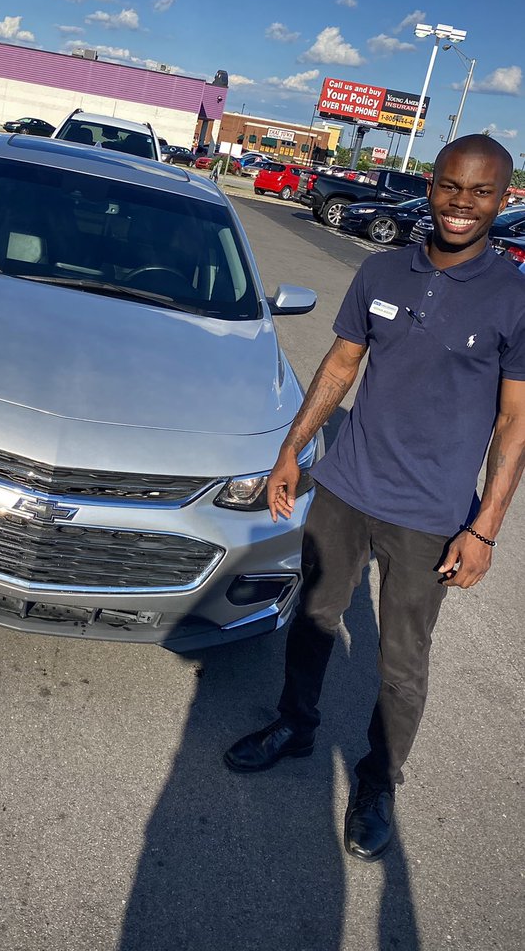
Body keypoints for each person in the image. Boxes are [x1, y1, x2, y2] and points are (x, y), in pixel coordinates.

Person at [224, 134, 525, 861]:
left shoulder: (514, 298)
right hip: (347, 489)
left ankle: (378, 781)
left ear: (503, 200)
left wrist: (484, 526)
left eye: (480, 191)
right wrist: (291, 451)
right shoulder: (383, 269)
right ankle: (295, 726)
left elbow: (515, 421)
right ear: (431, 186)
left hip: (431, 516)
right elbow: (340, 365)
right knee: (314, 619)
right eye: (450, 185)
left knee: (401, 660)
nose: (461, 203)